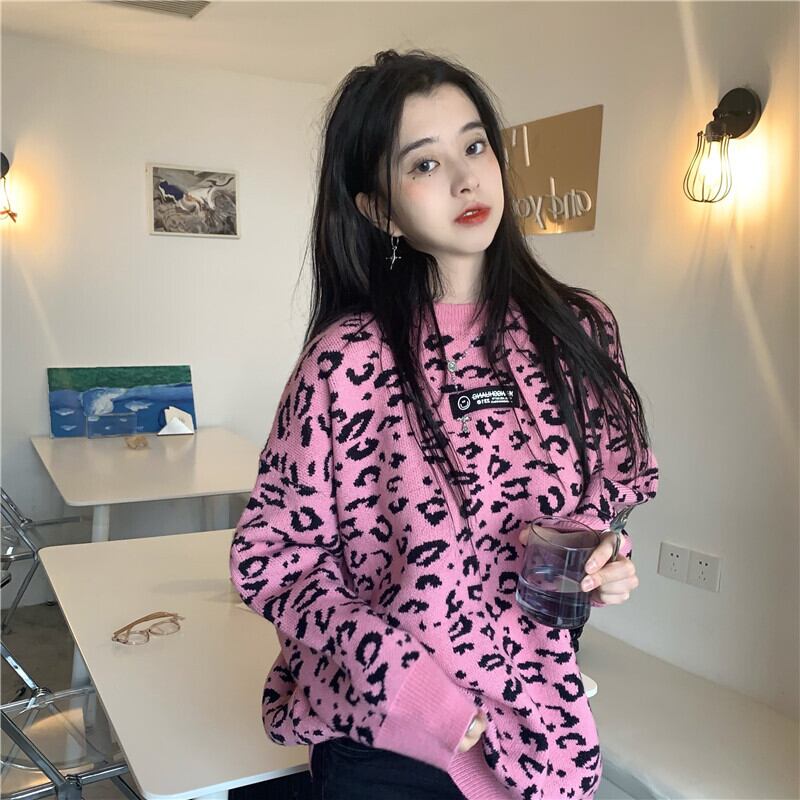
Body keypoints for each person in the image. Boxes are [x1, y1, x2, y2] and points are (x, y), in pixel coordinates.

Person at [230, 48, 659, 800]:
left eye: (475, 146)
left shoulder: (578, 330)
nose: (466, 179)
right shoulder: (348, 362)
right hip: (388, 738)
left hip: (541, 729)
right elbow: (274, 560)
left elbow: (596, 504)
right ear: (378, 208)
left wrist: (601, 558)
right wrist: (423, 696)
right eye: (425, 164)